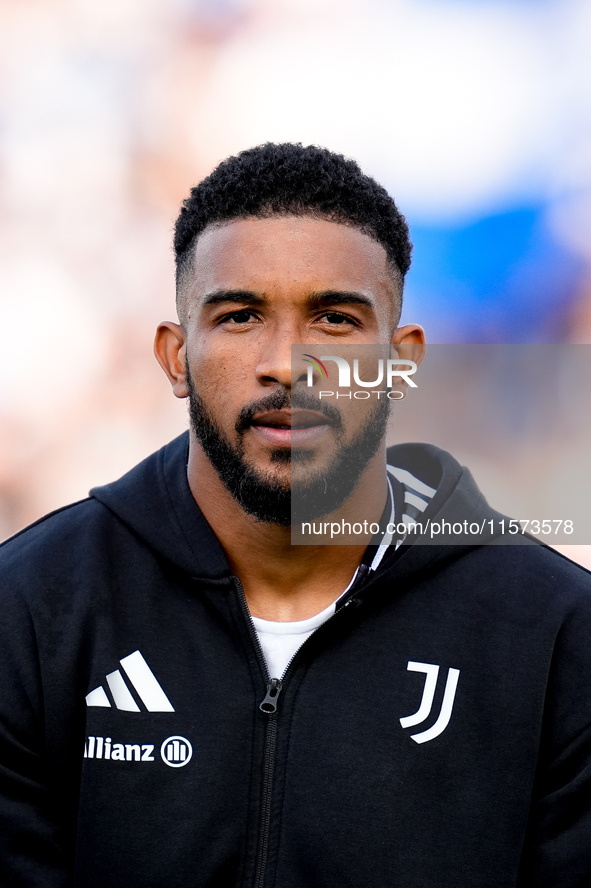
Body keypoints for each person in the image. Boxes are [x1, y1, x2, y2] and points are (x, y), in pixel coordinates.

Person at [1, 143, 590, 888]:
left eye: (335, 319)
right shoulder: (29, 614)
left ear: (401, 361)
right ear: (176, 357)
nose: (286, 361)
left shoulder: (554, 636)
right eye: (241, 315)